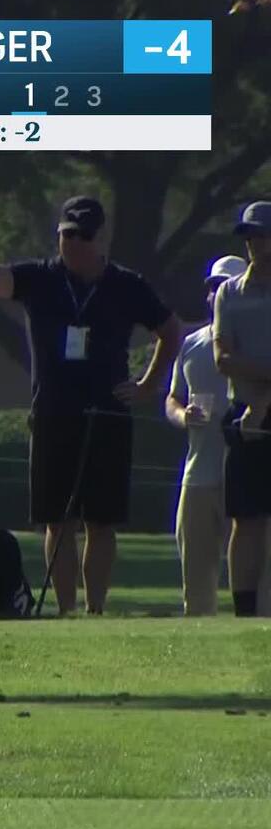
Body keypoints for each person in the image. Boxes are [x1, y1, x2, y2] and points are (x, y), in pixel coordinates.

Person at [0, 194, 183, 614]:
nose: (72, 244)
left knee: (101, 521)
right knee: (56, 520)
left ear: (99, 239)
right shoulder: (41, 278)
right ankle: (66, 610)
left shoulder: (126, 285)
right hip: (52, 413)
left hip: (107, 413)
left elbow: (170, 331)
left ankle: (95, 609)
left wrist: (147, 385)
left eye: (82, 236)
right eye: (66, 235)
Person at [165, 255, 245, 616]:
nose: (219, 293)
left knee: (254, 575)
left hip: (246, 473)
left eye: (228, 286)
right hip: (198, 473)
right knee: (196, 581)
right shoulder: (191, 344)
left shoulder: (258, 341)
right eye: (214, 287)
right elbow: (172, 398)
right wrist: (183, 415)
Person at [213, 201, 271, 617]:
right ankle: (244, 612)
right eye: (250, 236)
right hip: (241, 412)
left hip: (260, 410)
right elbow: (223, 358)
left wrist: (264, 401)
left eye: (262, 235)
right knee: (244, 519)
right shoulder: (228, 292)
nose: (254, 244)